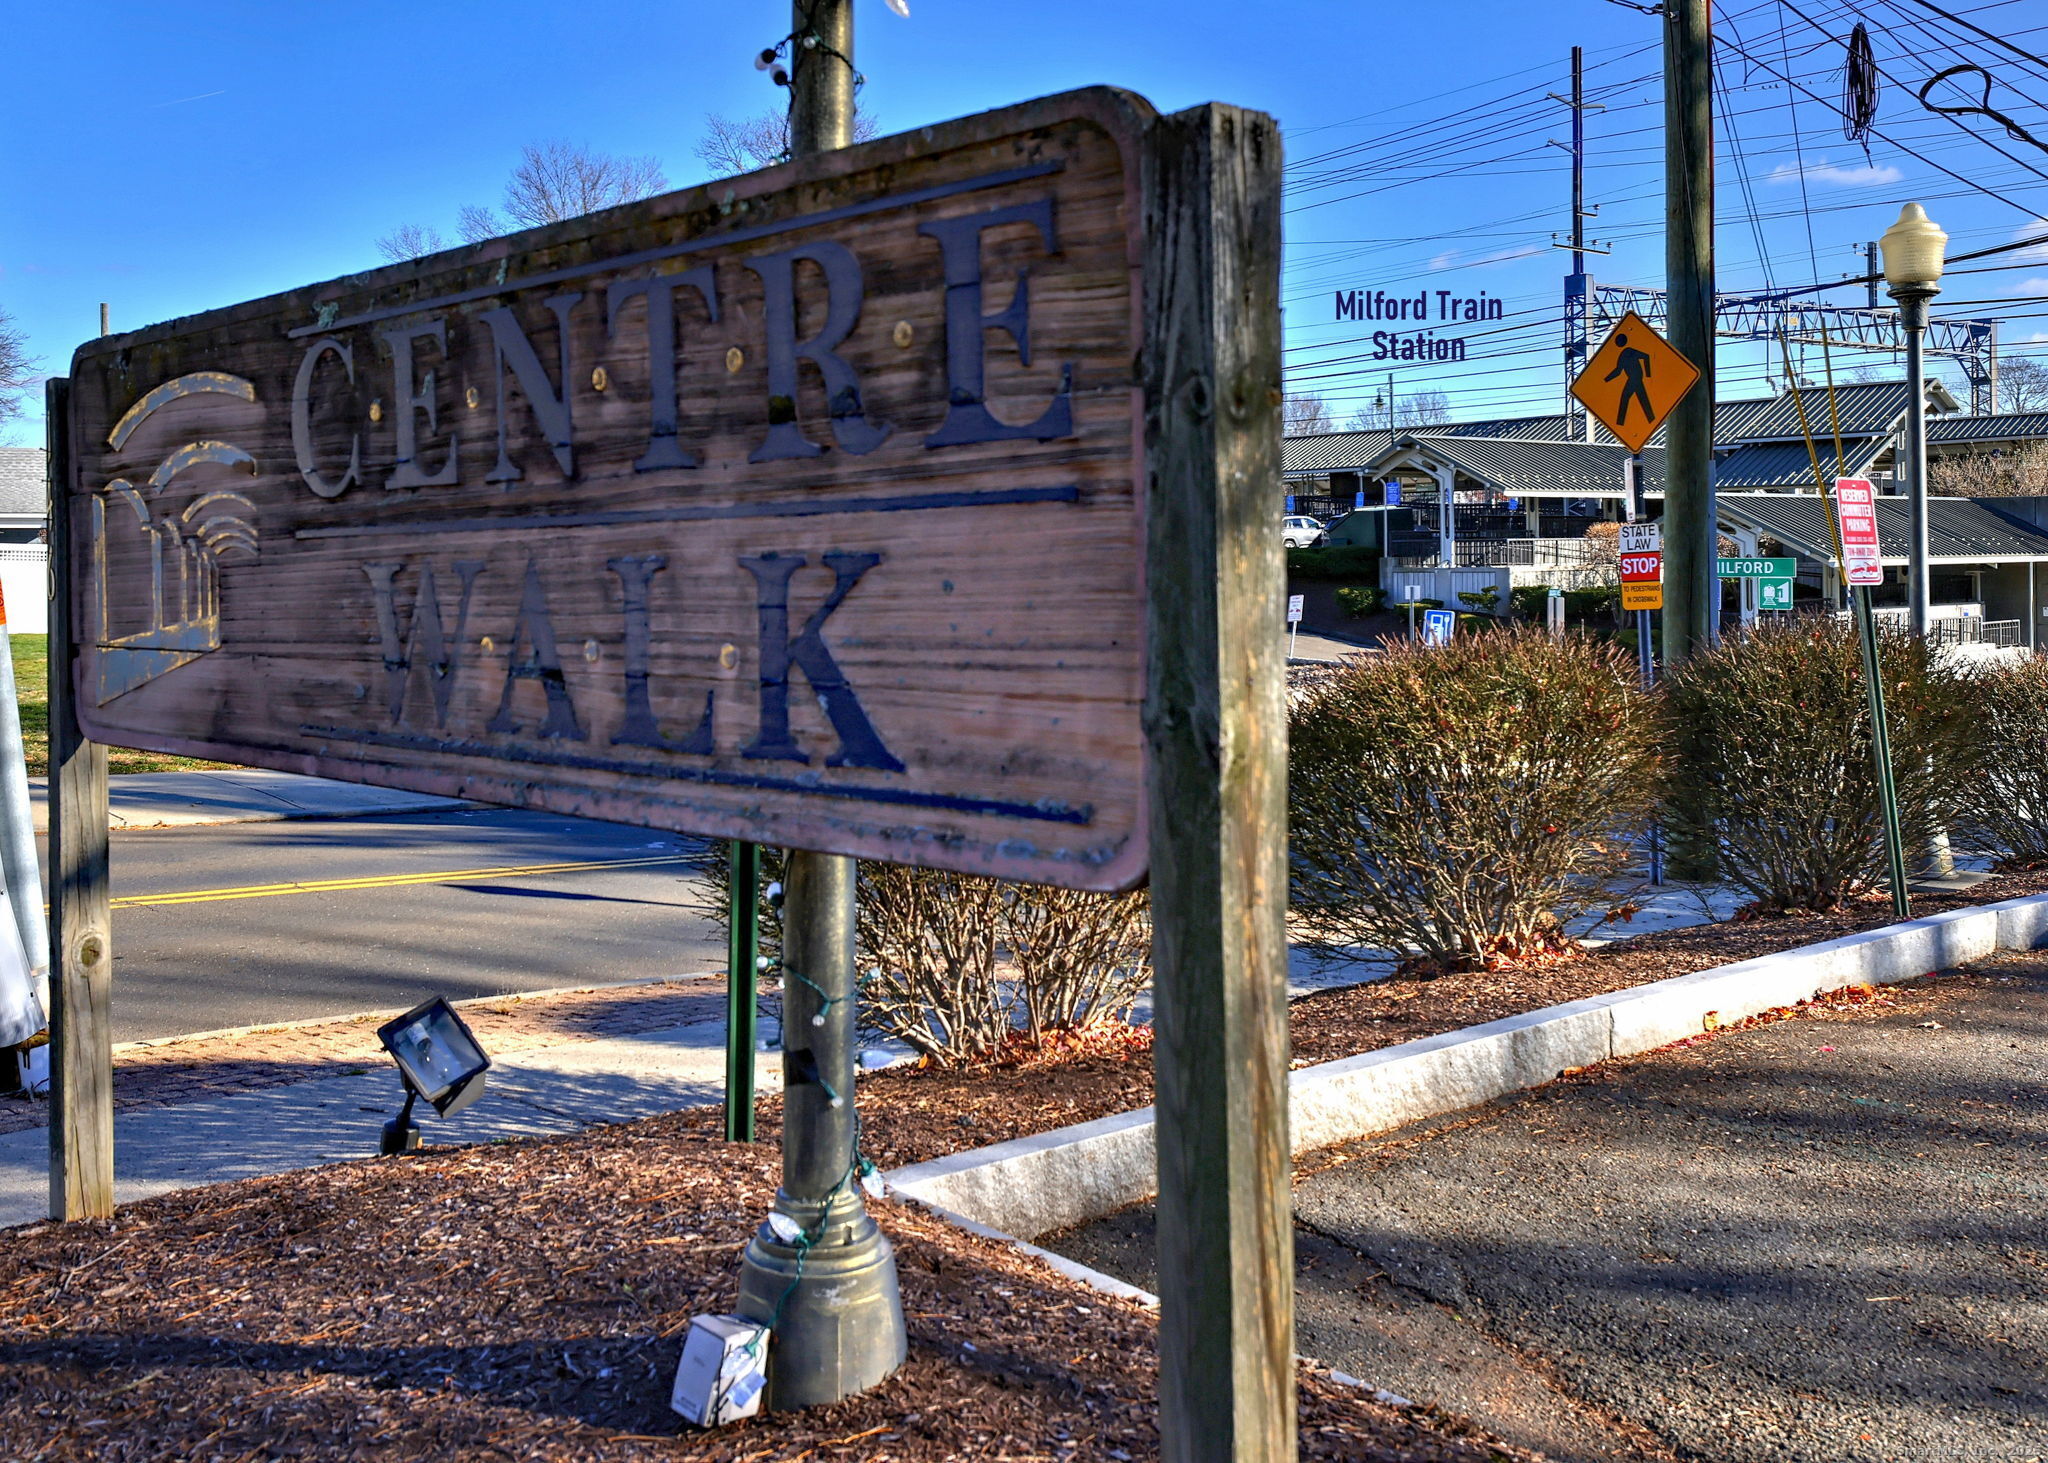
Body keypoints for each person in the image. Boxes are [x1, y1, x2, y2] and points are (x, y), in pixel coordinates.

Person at [1606, 333, 1655, 426]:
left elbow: (1646, 356)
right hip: (1634, 379)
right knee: (1642, 400)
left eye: (1618, 341)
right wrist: (1605, 380)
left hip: (1635, 378)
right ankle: (1651, 419)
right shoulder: (1623, 355)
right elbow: (1618, 371)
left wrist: (1648, 374)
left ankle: (1620, 423)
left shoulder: (1629, 351)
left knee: (1625, 398)